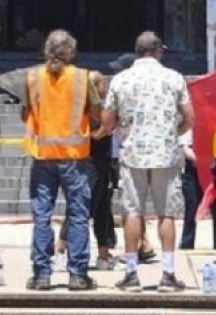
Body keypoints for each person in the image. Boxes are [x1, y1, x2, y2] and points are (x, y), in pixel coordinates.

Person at [102, 31, 195, 293]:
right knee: (166, 213)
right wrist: (173, 132)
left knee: (133, 211)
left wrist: (123, 130)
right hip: (165, 153)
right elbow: (190, 117)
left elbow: (107, 120)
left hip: (133, 153)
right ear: (158, 51)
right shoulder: (173, 78)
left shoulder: (121, 79)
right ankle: (168, 274)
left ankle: (131, 273)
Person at [23, 30, 100, 291]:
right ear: (71, 52)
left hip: (43, 156)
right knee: (78, 215)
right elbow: (96, 112)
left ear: (46, 50)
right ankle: (77, 274)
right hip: (75, 157)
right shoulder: (82, 77)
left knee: (41, 216)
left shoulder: (33, 77)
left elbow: (25, 112)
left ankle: (42, 274)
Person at [57, 71, 118, 270]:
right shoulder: (90, 110)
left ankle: (104, 255)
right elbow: (97, 133)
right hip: (91, 164)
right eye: (101, 83)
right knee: (82, 208)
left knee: (103, 209)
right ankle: (61, 249)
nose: (105, 86)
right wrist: (107, 126)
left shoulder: (98, 108)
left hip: (103, 164)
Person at [106, 52, 157, 264]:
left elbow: (109, 119)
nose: (115, 73)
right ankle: (143, 242)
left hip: (125, 152)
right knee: (134, 203)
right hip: (131, 150)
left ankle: (137, 246)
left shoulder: (123, 89)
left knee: (130, 205)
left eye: (118, 69)